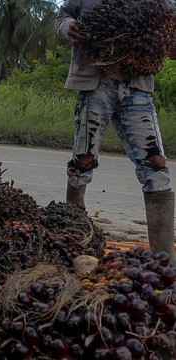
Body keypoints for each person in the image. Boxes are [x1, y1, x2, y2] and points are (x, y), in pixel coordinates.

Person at [55, 0, 176, 264]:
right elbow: (62, 16)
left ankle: (165, 259)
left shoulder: (160, 2)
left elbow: (171, 34)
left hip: (137, 88)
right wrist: (68, 27)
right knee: (83, 160)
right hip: (95, 83)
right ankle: (76, 238)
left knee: (156, 165)